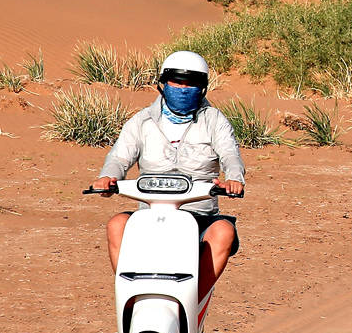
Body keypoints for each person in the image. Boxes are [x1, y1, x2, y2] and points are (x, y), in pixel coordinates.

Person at [92, 51, 246, 305]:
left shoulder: (215, 121)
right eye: (176, 81)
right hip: (151, 214)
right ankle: (131, 302)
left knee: (224, 232)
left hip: (199, 215)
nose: (183, 88)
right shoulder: (141, 121)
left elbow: (230, 155)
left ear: (203, 87)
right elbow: (119, 158)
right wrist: (107, 178)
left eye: (191, 83)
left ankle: (191, 303)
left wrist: (233, 178)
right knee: (116, 224)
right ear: (163, 83)